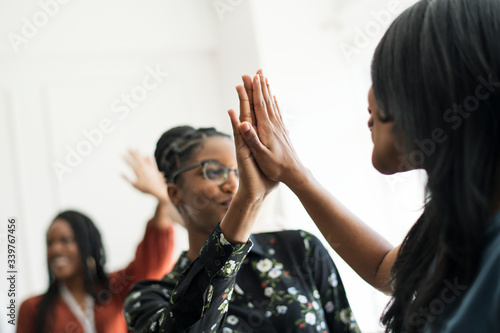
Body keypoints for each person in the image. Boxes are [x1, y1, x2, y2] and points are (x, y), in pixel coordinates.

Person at [233, 0, 500, 332]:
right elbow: (385, 269)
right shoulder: (458, 220)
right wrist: (293, 173)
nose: (370, 96)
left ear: (437, 88)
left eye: (384, 77)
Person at [123, 123, 360, 332]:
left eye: (240, 171)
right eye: (214, 171)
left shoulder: (300, 248)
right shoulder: (151, 298)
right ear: (174, 194)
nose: (233, 184)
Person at [17, 149, 180, 333]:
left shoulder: (115, 289)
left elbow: (151, 259)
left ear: (87, 244)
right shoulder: (32, 309)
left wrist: (161, 196)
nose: (55, 249)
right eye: (50, 243)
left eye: (65, 240)